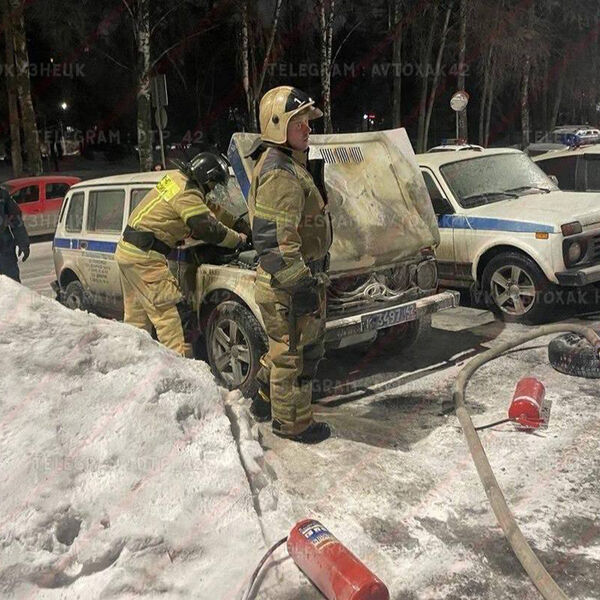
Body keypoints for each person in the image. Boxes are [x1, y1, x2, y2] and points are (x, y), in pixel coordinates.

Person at [247, 86, 333, 444]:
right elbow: (275, 243)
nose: (307, 128)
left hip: (295, 278)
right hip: (287, 283)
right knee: (291, 357)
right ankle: (291, 424)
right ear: (278, 125)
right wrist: (301, 287)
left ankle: (263, 398)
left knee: (289, 348)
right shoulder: (280, 173)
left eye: (307, 122)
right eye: (299, 123)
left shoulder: (288, 165)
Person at [115, 152, 247, 357]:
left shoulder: (176, 179)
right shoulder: (187, 193)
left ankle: (133, 361)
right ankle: (178, 369)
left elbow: (209, 209)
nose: (214, 189)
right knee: (169, 317)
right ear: (207, 179)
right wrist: (237, 239)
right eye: (214, 184)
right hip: (145, 259)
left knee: (137, 319)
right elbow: (208, 229)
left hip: (128, 253)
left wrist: (239, 223)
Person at [0, 184, 30, 283]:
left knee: (12, 284)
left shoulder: (2, 194)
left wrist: (23, 243)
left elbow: (16, 219)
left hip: (4, 250)